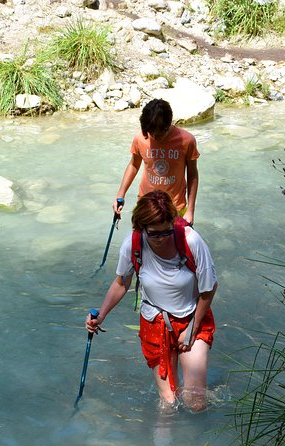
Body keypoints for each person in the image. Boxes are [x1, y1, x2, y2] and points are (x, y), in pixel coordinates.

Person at [88, 190, 217, 412]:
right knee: (167, 404)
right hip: (154, 322)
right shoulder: (134, 244)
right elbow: (121, 283)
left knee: (195, 402)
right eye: (154, 234)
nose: (161, 239)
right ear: (141, 227)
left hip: (192, 318)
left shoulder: (190, 240)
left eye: (166, 231)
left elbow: (209, 288)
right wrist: (100, 315)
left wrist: (192, 329)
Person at [112, 99, 200, 225]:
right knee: (140, 243)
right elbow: (133, 165)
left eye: (158, 134)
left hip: (175, 208)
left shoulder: (187, 140)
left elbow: (192, 175)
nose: (154, 137)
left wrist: (190, 210)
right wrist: (120, 195)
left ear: (168, 125)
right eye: (150, 132)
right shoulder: (140, 138)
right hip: (145, 205)